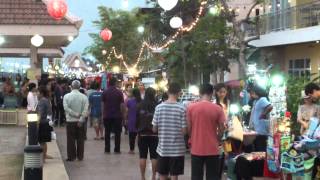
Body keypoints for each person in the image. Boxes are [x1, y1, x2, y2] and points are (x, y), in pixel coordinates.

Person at [187, 84, 226, 180]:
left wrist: (193, 136)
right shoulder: (218, 109)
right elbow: (222, 129)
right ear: (212, 93)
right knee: (213, 176)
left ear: (200, 93)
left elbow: (189, 128)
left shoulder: (190, 108)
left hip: (196, 147)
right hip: (212, 148)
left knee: (196, 176)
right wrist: (218, 139)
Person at [152, 83, 187, 180]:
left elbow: (154, 129)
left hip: (163, 148)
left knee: (162, 175)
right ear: (179, 93)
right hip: (177, 149)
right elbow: (184, 131)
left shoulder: (158, 108)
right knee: (174, 175)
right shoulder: (182, 108)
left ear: (167, 92)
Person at [63, 80, 89, 161]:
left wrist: (74, 114)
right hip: (80, 122)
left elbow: (66, 108)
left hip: (70, 121)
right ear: (79, 87)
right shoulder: (84, 97)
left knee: (70, 140)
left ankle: (71, 156)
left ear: (71, 86)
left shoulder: (66, 96)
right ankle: (80, 156)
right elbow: (85, 110)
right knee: (80, 139)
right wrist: (80, 119)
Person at [136, 87, 158, 180]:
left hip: (142, 133)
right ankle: (153, 176)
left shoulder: (139, 105)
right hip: (154, 134)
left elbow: (137, 120)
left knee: (142, 156)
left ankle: (142, 177)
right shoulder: (156, 106)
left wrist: (138, 130)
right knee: (154, 156)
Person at [102, 77, 126, 154]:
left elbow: (102, 105)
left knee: (107, 132)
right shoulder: (119, 92)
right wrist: (123, 115)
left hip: (107, 115)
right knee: (117, 133)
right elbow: (122, 105)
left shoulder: (105, 92)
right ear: (115, 83)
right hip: (117, 116)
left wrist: (103, 114)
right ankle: (117, 149)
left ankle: (107, 149)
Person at [249, 86, 273, 151]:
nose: (251, 95)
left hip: (261, 130)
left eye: (253, 93)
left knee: (261, 148)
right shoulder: (256, 101)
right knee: (257, 147)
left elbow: (270, 106)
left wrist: (263, 114)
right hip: (257, 129)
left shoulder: (262, 99)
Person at [37, 86, 53, 162]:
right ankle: (44, 156)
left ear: (41, 93)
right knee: (43, 141)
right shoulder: (47, 100)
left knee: (42, 142)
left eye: (37, 92)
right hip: (47, 122)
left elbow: (40, 113)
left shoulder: (42, 101)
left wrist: (37, 124)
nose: (36, 94)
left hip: (43, 123)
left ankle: (43, 159)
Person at [126, 88, 141, 154]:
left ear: (133, 94)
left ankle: (131, 150)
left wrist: (125, 119)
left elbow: (127, 111)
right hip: (140, 121)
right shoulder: (142, 101)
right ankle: (141, 149)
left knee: (131, 136)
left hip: (132, 120)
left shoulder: (129, 101)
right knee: (140, 136)